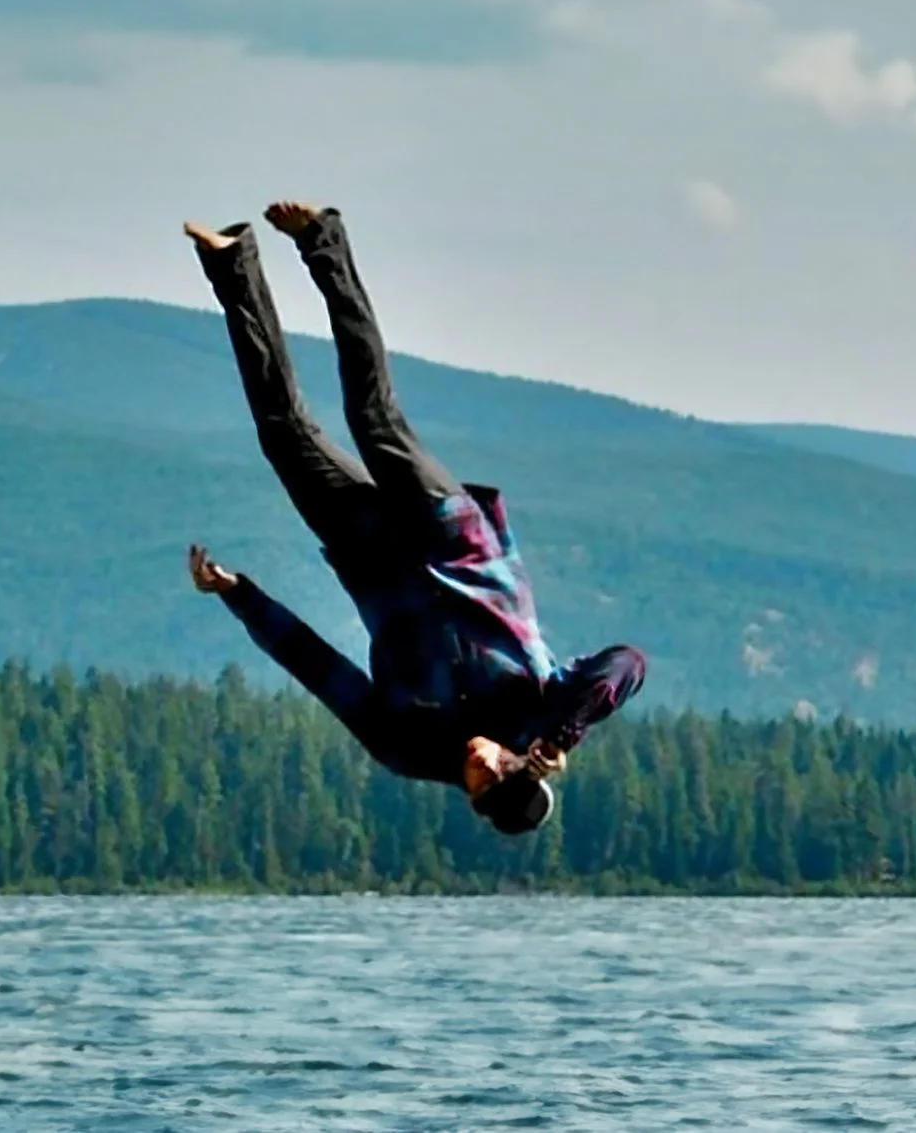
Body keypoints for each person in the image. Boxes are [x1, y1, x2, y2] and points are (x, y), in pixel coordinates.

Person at [181, 201, 646, 835]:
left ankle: (232, 264)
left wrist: (238, 595)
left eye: (483, 783)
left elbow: (319, 669)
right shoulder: (546, 711)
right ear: (526, 765)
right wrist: (567, 729)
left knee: (284, 435)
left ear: (472, 798)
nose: (485, 764)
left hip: (369, 558)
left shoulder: (404, 747)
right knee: (373, 419)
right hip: (452, 538)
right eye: (503, 768)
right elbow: (628, 662)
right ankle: (321, 240)